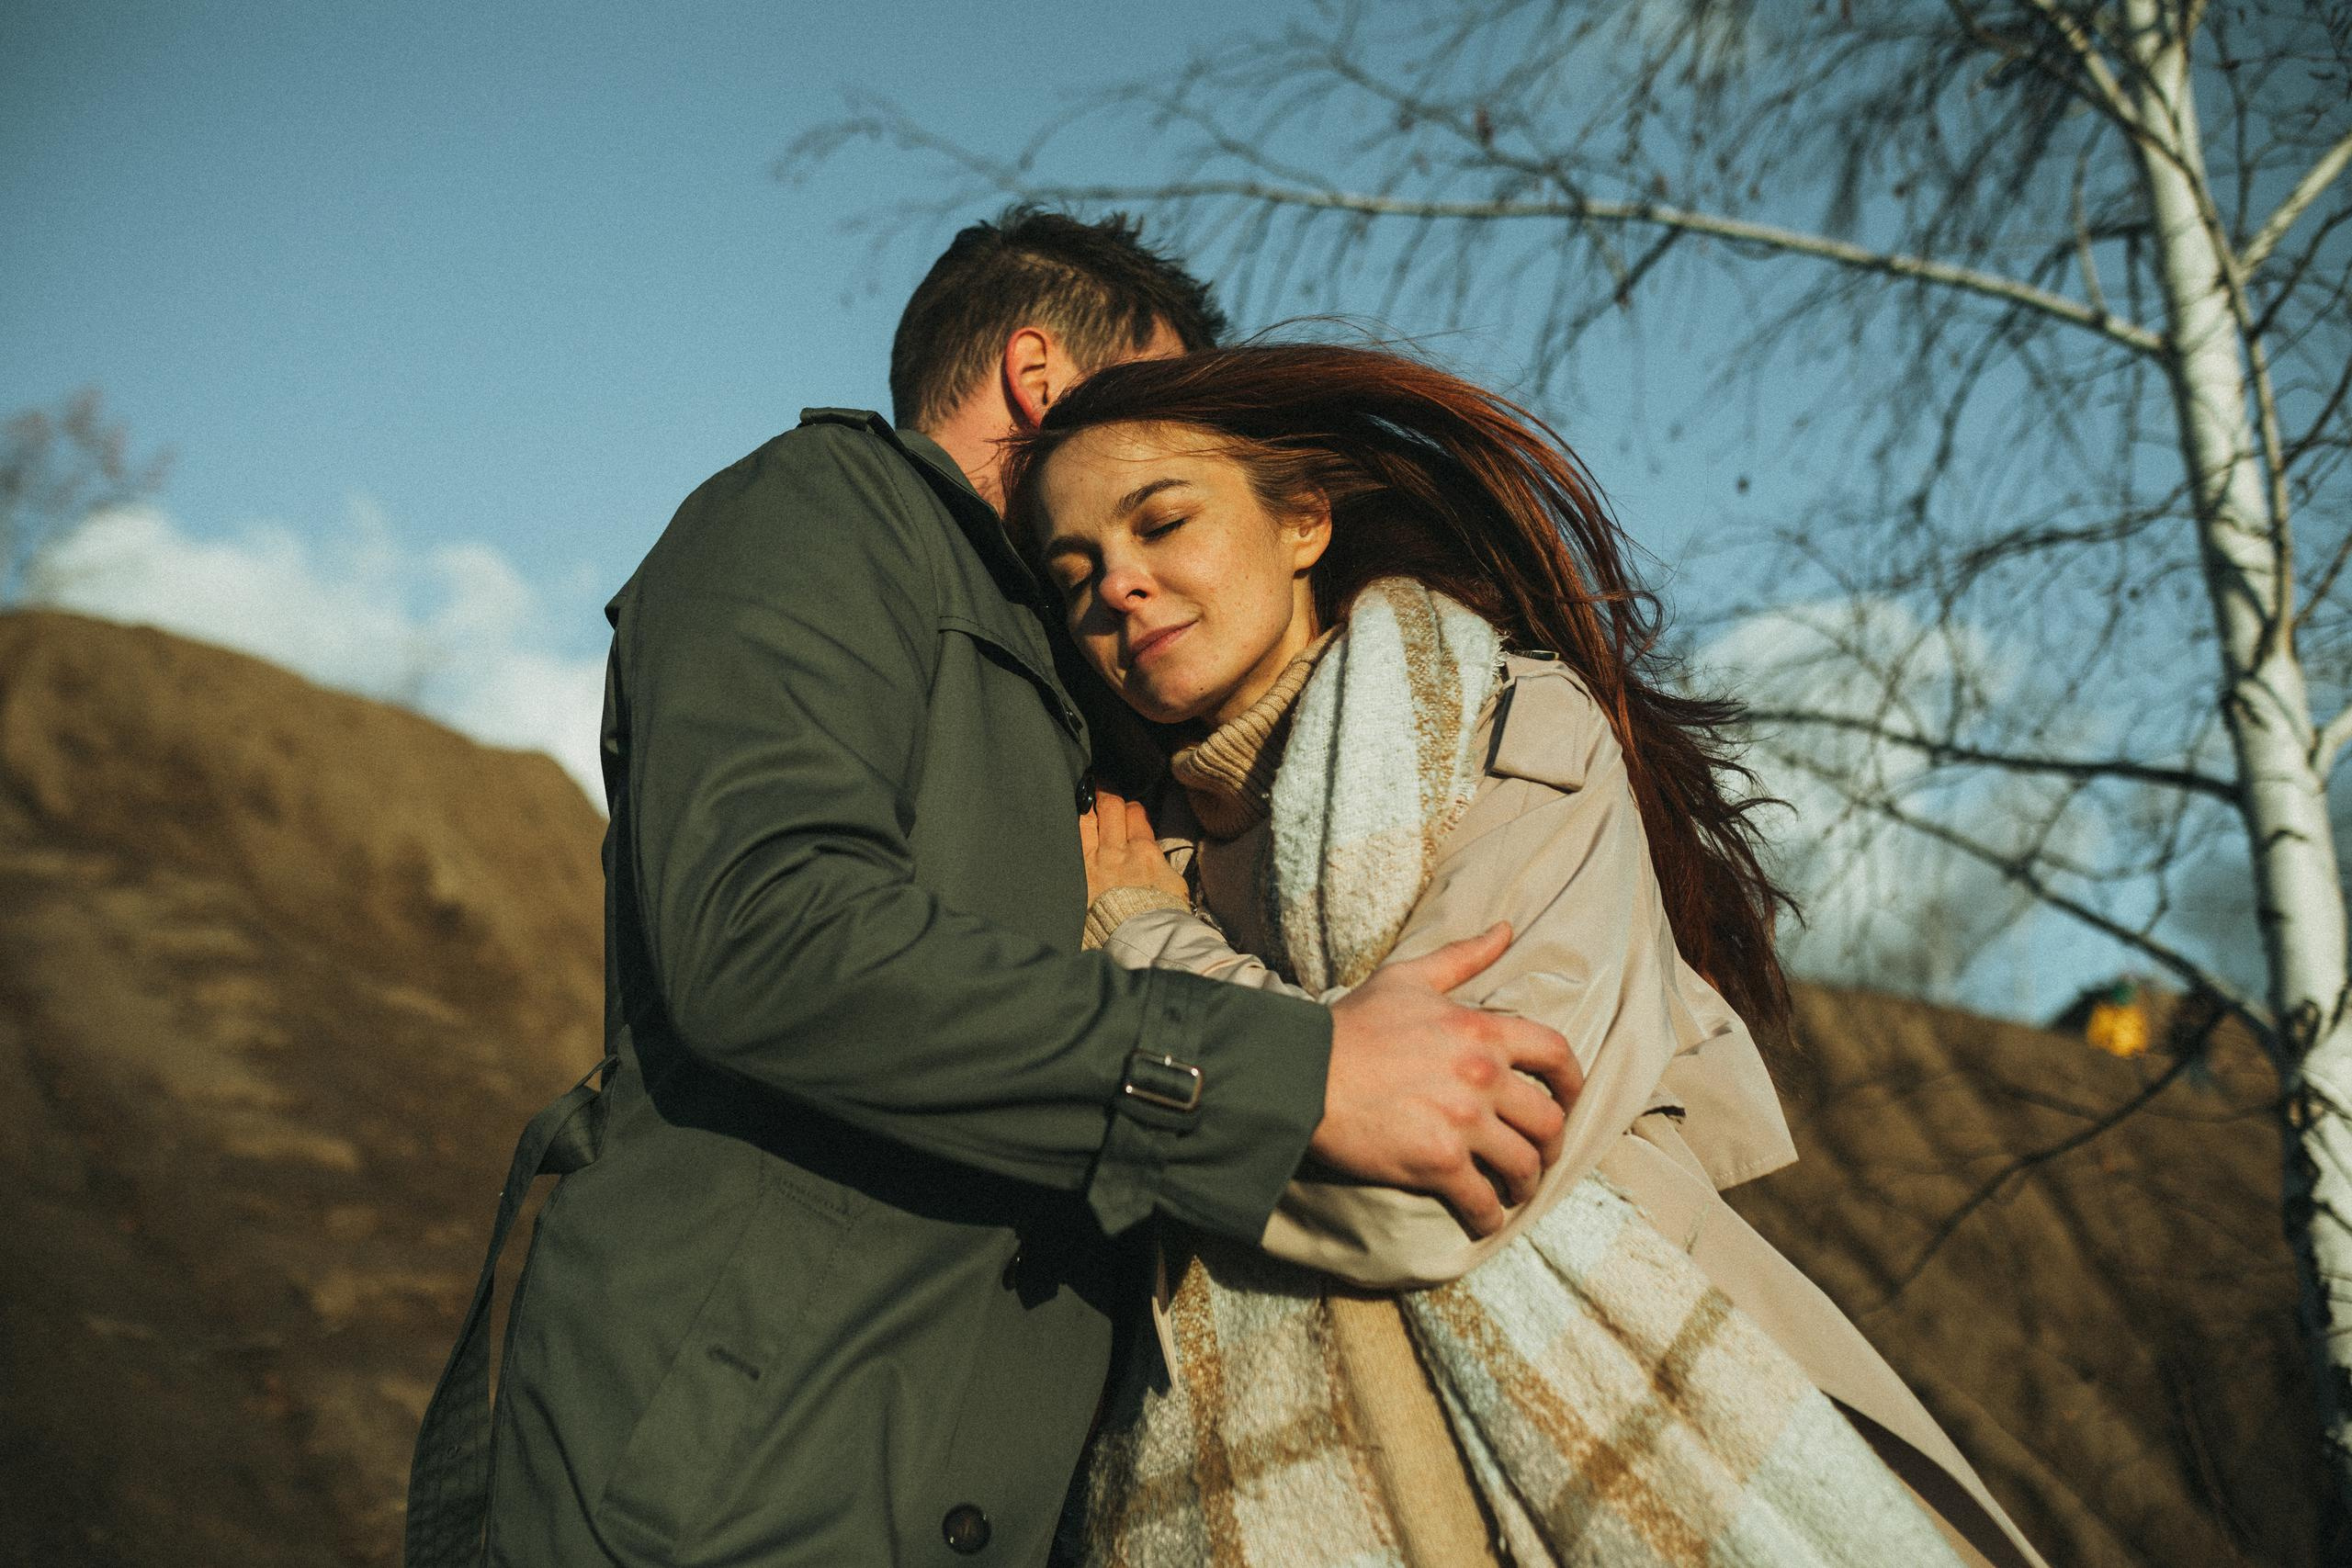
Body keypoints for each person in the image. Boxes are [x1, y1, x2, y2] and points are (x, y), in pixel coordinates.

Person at [402, 211, 1580, 1568]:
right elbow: (768, 936)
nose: (1165, 443)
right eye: (1150, 391)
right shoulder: (824, 510)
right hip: (727, 1496)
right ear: (1039, 376)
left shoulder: (1075, 665)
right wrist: (1294, 1077)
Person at [1005, 341, 2052, 1568]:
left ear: (1303, 520)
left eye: (1162, 523)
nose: (1117, 587)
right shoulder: (1125, 857)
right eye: (1076, 573)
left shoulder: (1508, 739)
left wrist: (1146, 950)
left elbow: (1431, 1196)